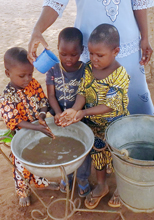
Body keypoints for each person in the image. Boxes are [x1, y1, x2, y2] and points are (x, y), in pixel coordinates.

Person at [28, 0, 154, 115]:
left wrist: (145, 37)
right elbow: (55, 2)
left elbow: (138, 3)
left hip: (128, 43)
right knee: (90, 95)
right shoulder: (91, 61)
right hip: (88, 41)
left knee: (134, 101)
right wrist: (37, 30)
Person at [59, 24, 130, 209]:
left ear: (116, 51)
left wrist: (83, 112)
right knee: (98, 155)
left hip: (115, 125)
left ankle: (120, 189)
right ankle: (102, 185)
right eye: (91, 54)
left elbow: (109, 105)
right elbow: (82, 91)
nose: (94, 59)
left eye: (100, 55)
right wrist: (75, 109)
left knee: (117, 157)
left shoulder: (119, 75)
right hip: (94, 125)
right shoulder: (89, 68)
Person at [0, 47, 59, 207]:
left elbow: (42, 101)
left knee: (38, 159)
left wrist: (41, 115)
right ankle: (22, 192)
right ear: (7, 73)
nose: (27, 79)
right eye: (22, 75)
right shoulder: (6, 97)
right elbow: (15, 121)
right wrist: (37, 128)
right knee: (22, 166)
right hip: (21, 136)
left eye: (30, 74)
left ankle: (41, 183)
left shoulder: (33, 84)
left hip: (36, 130)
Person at [46, 27, 91, 197]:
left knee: (83, 150)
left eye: (74, 54)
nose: (69, 59)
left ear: (82, 50)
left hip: (80, 117)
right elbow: (51, 95)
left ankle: (83, 179)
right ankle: (67, 176)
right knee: (63, 146)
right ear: (57, 48)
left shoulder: (86, 70)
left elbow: (85, 93)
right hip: (60, 118)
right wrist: (58, 114)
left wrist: (74, 112)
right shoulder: (53, 70)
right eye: (63, 54)